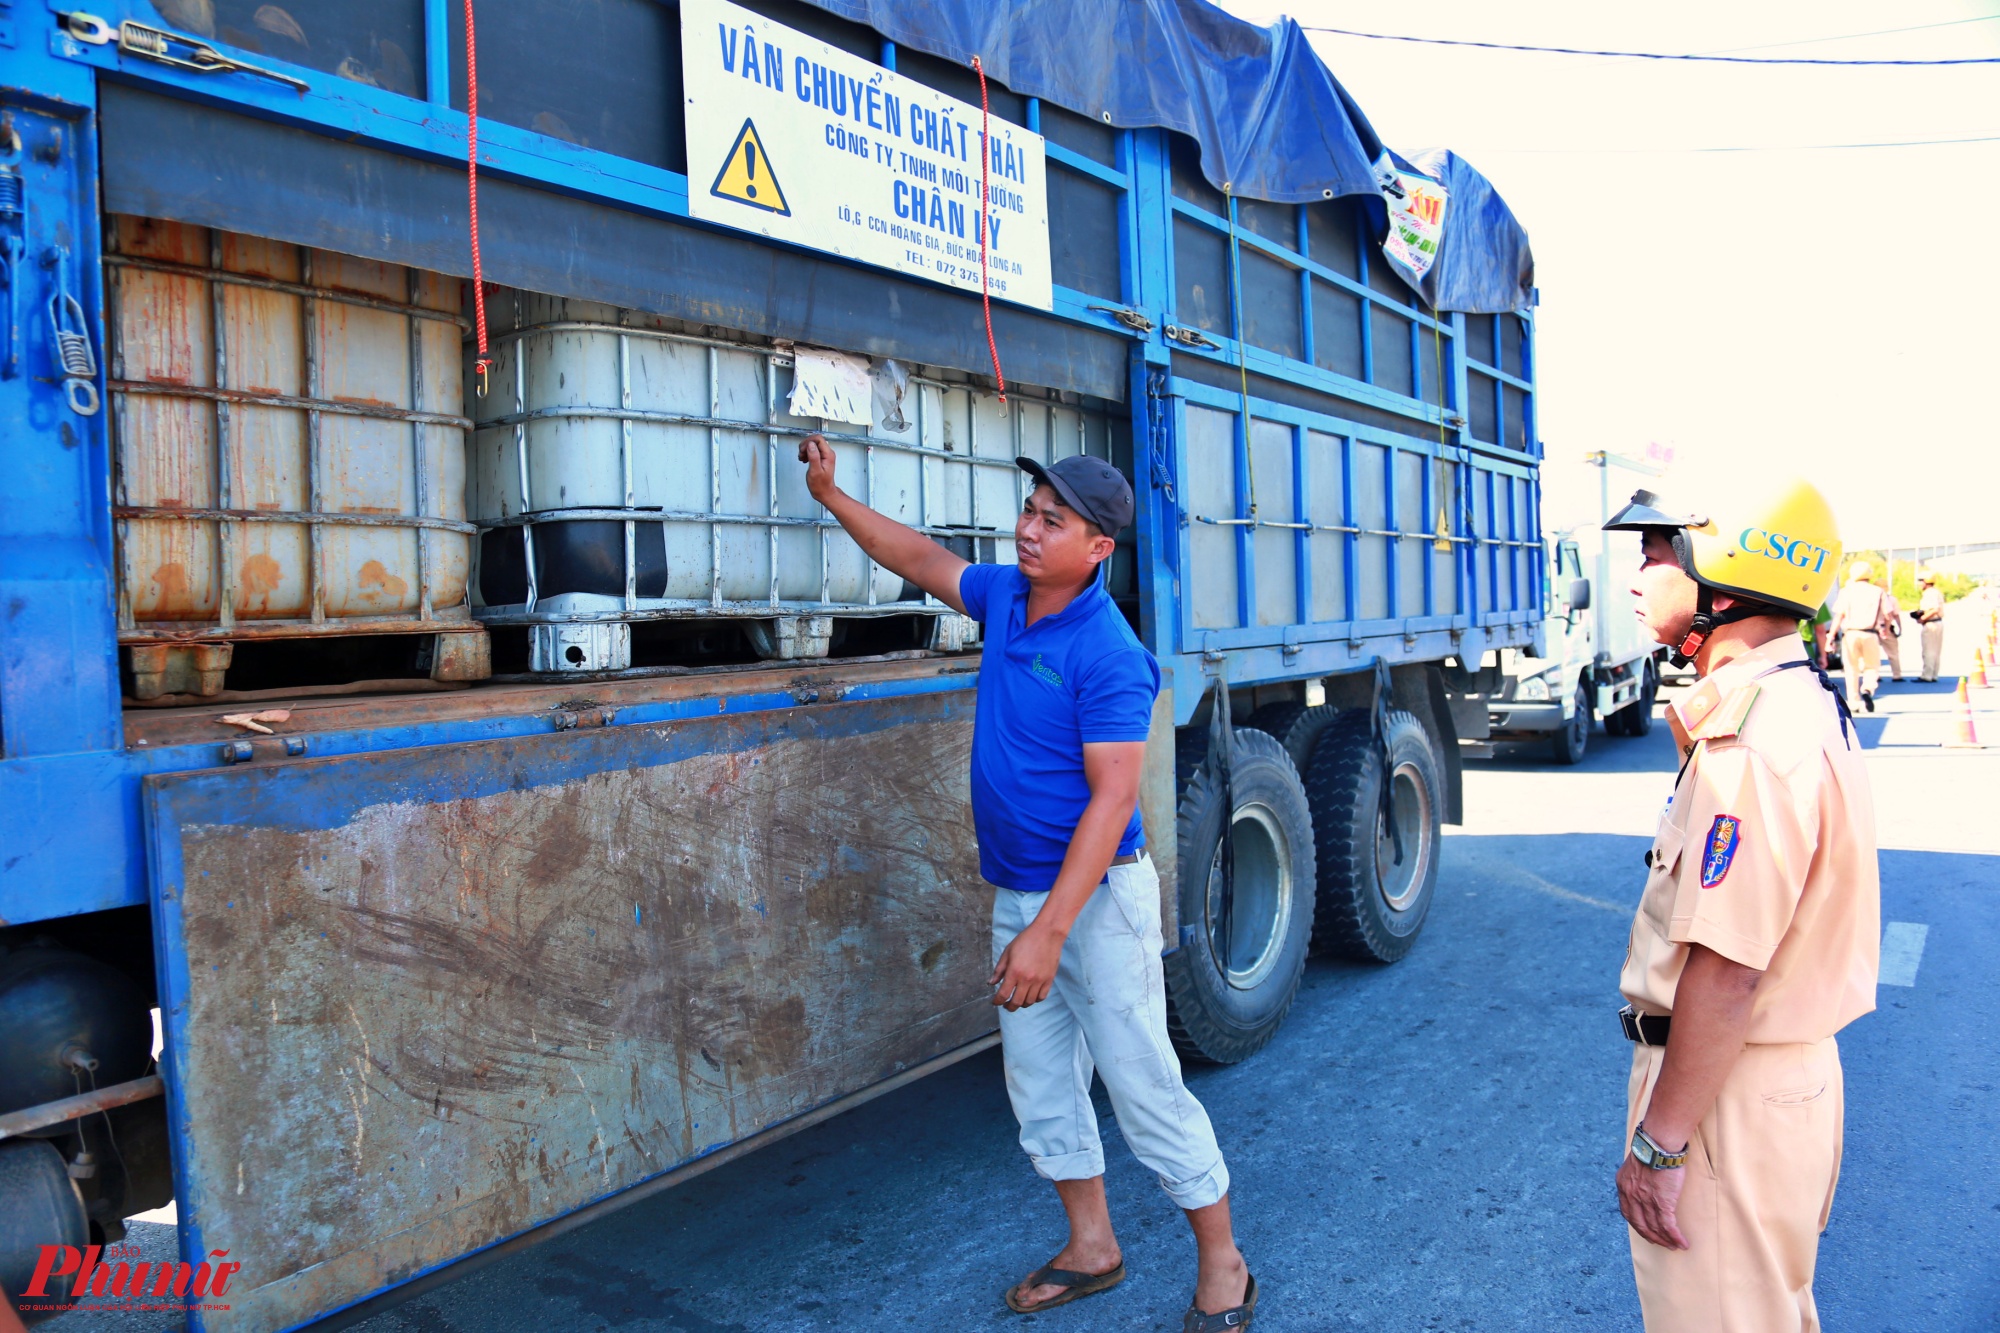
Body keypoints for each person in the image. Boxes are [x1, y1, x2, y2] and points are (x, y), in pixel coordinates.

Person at [796, 434, 1256, 1331]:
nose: (1030, 529)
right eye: (1030, 511)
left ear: (1098, 549)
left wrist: (1049, 930)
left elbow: (1112, 799)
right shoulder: (1008, 598)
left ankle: (1224, 1262)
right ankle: (1093, 1246)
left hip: (1095, 904)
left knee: (1142, 1085)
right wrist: (832, 496)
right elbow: (921, 557)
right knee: (1041, 1085)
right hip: (1020, 893)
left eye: (1055, 520)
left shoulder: (1111, 654)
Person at [1604, 475, 1878, 1333]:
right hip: (1768, 1085)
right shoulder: (1795, 705)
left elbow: (1726, 973)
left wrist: (1659, 1144)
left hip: (1726, 1098)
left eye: (1654, 553)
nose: (1636, 578)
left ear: (1722, 567)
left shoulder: (1753, 745)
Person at [1827, 560, 1890, 711]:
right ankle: (1867, 688)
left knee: (1851, 669)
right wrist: (1885, 629)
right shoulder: (1878, 591)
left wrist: (1830, 637)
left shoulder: (1846, 591)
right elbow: (1888, 614)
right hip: (1870, 634)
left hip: (1850, 635)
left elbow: (1839, 616)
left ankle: (1854, 702)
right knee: (1872, 666)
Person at [1915, 569, 1947, 681]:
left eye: (1921, 581)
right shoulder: (1936, 592)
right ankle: (1933, 674)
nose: (1919, 583)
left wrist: (1922, 618)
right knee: (1936, 650)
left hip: (1931, 624)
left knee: (1928, 650)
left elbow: (1934, 609)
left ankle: (1927, 675)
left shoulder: (1929, 593)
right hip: (1938, 623)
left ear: (1925, 581)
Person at [1879, 586, 1905, 681]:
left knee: (1873, 654)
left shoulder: (1871, 597)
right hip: (1887, 628)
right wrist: (1900, 628)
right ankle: (1897, 675)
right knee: (1893, 653)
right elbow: (1895, 615)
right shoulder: (1892, 599)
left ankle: (1874, 675)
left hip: (1872, 629)